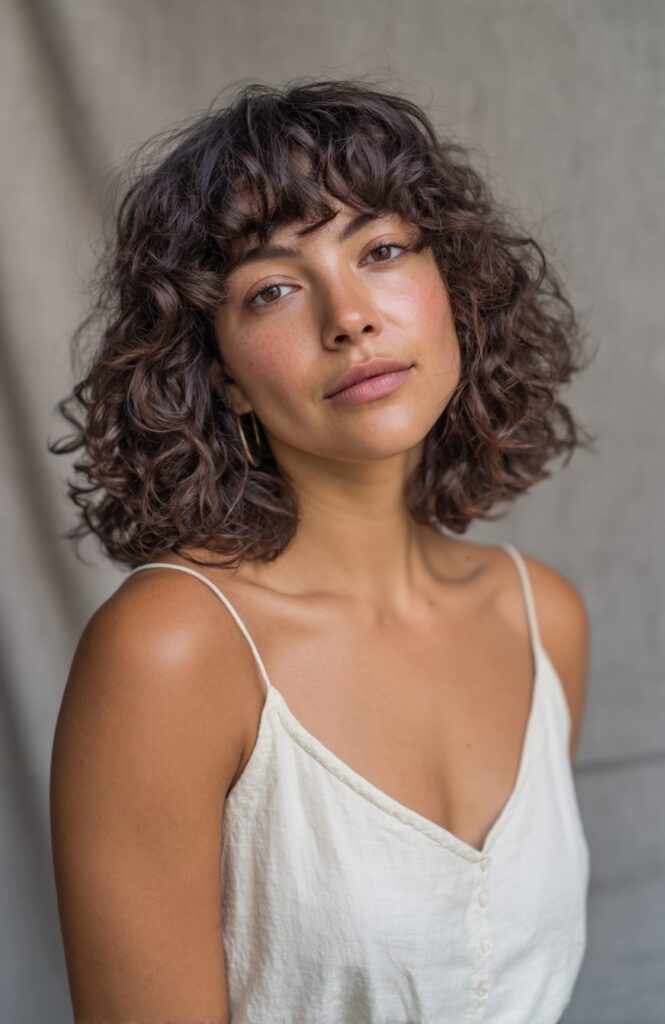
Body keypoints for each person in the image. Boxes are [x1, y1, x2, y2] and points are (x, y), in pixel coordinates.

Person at [49, 76, 596, 1024]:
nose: (348, 316)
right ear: (221, 375)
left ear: (453, 291)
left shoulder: (542, 615)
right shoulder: (170, 650)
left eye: (380, 249)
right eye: (271, 290)